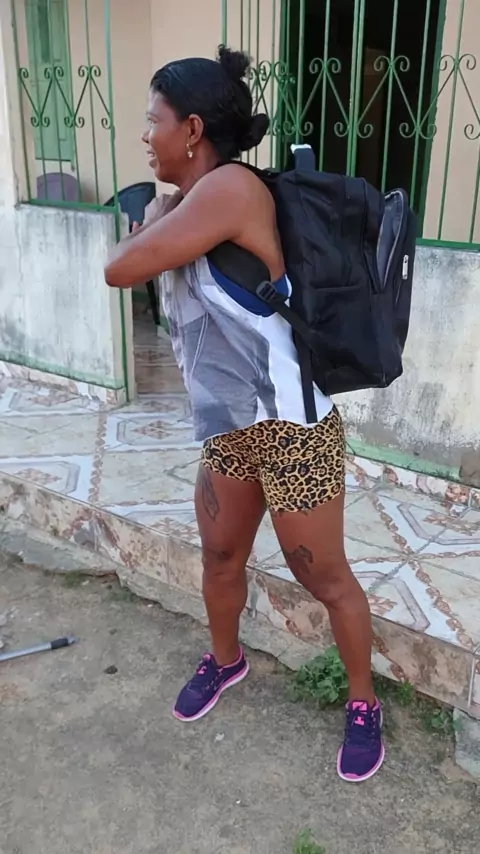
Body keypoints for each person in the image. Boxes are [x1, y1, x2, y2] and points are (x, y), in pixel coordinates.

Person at [104, 46, 384, 783]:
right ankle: (225, 661)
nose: (146, 135)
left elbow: (120, 266)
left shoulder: (229, 190)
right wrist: (162, 208)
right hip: (230, 427)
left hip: (291, 427)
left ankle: (363, 702)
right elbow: (141, 254)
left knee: (326, 578)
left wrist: (155, 213)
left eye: (154, 120)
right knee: (221, 557)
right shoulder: (189, 202)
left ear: (192, 129)